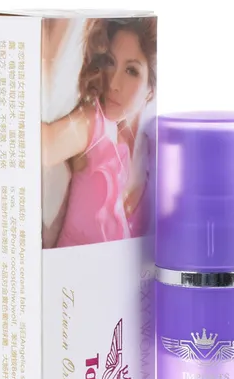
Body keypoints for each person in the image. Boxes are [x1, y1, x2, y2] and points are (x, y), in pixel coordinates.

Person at [41, 18, 157, 248]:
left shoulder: (147, 157)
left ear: (150, 90)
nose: (113, 82)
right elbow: (45, 147)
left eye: (131, 71)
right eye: (110, 62)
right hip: (68, 270)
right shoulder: (93, 122)